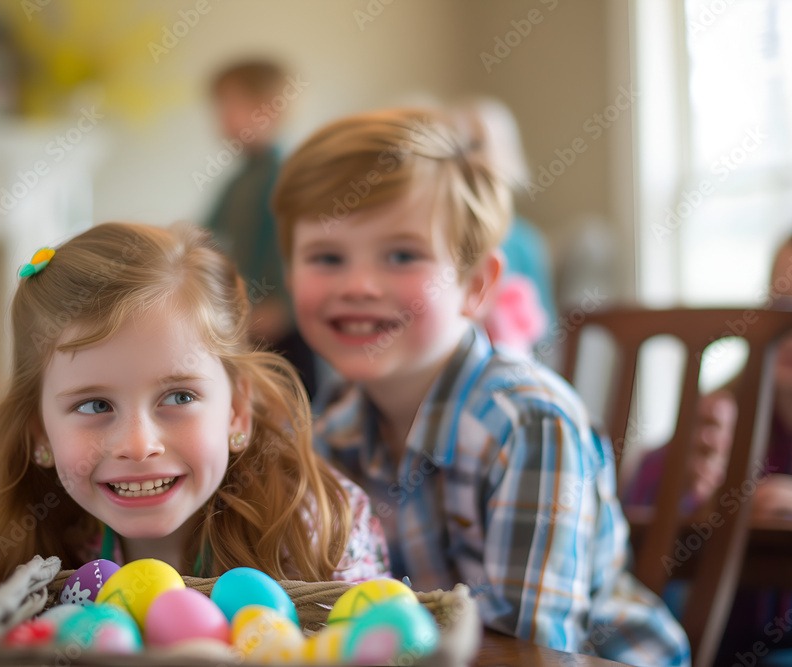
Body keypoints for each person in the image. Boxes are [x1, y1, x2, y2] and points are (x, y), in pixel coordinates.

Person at [271, 108, 691, 665]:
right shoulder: (331, 423)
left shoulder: (528, 422)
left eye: (402, 255)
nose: (359, 285)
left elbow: (531, 649)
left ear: (475, 285)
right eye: (326, 257)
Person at [0, 222, 389, 620]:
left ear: (237, 411)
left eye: (178, 396)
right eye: (95, 406)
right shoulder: (64, 540)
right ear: (40, 434)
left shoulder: (313, 533)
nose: (138, 443)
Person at [623, 223, 792, 665]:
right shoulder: (723, 412)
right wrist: (684, 489)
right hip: (716, 641)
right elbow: (633, 513)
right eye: (781, 306)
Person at [204, 58, 318, 397]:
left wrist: (283, 304)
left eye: (230, 105)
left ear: (268, 109)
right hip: (250, 317)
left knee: (292, 398)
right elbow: (209, 235)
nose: (221, 118)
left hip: (282, 323)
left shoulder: (285, 174)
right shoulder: (241, 178)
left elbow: (300, 244)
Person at [450, 96, 556, 354]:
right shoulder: (443, 235)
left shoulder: (524, 242)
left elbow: (543, 329)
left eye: (476, 145)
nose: (466, 158)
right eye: (456, 145)